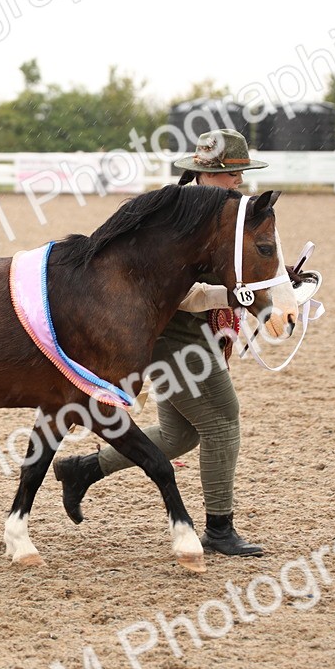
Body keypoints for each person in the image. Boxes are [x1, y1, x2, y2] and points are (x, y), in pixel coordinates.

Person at [53, 129, 271, 557]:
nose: (240, 183)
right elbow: (174, 293)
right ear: (208, 177)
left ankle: (82, 469)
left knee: (179, 434)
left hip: (183, 331)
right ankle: (220, 529)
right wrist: (239, 295)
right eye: (234, 175)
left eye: (242, 175)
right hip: (175, 334)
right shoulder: (179, 217)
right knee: (223, 420)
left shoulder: (202, 213)